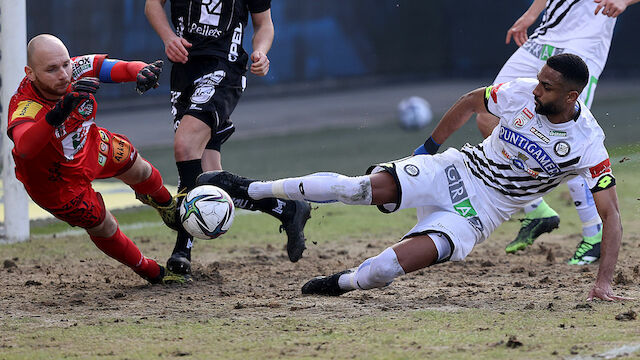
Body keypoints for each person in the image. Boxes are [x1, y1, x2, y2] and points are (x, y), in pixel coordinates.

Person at [199, 54, 629, 302]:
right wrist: (428, 150)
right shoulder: (520, 92)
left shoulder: (587, 144)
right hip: (458, 170)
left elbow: (611, 217)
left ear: (572, 96)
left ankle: (340, 283)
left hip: (481, 215)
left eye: (548, 88)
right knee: (357, 188)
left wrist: (603, 282)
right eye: (538, 82)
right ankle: (245, 188)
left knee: (384, 270)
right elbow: (468, 103)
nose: (536, 91)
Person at [145, 0, 311, 276]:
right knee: (209, 176)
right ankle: (286, 208)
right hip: (184, 70)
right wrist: (169, 38)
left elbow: (264, 24)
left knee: (185, 147)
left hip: (225, 67)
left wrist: (260, 52)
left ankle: (182, 249)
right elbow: (152, 4)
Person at [7, 34, 187, 285]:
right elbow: (25, 147)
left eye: (65, 64)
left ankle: (169, 207)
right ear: (30, 73)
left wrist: (140, 71)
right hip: (55, 182)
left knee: (140, 169)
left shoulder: (74, 69)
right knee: (104, 224)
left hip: (89, 145)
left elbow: (112, 67)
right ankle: (150, 271)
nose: (63, 74)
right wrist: (58, 113)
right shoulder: (26, 105)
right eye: (51, 69)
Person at [476, 0, 638, 263]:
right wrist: (531, 14)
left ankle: (593, 232)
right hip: (544, 38)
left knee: (570, 142)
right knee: (487, 113)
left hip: (583, 45)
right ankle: (536, 209)